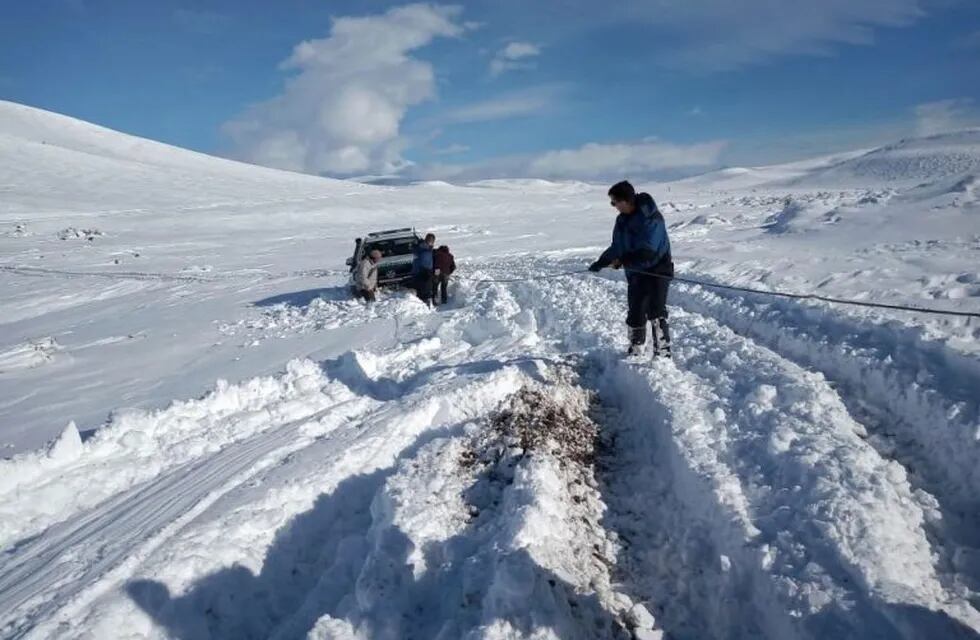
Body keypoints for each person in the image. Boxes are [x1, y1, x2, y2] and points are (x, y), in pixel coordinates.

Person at [589, 180, 674, 357]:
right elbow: (617, 247)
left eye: (615, 202)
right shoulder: (621, 220)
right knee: (635, 311)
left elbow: (648, 251)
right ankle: (636, 349)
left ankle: (663, 353)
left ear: (626, 200)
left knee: (656, 311)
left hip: (657, 270)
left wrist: (622, 261)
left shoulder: (651, 217)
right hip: (636, 272)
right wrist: (602, 262)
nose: (614, 206)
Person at [412, 232, 436, 306]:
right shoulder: (423, 248)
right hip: (423, 272)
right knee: (424, 290)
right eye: (431, 241)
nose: (432, 243)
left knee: (426, 289)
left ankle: (425, 304)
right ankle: (424, 305)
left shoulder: (426, 248)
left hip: (423, 271)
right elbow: (423, 260)